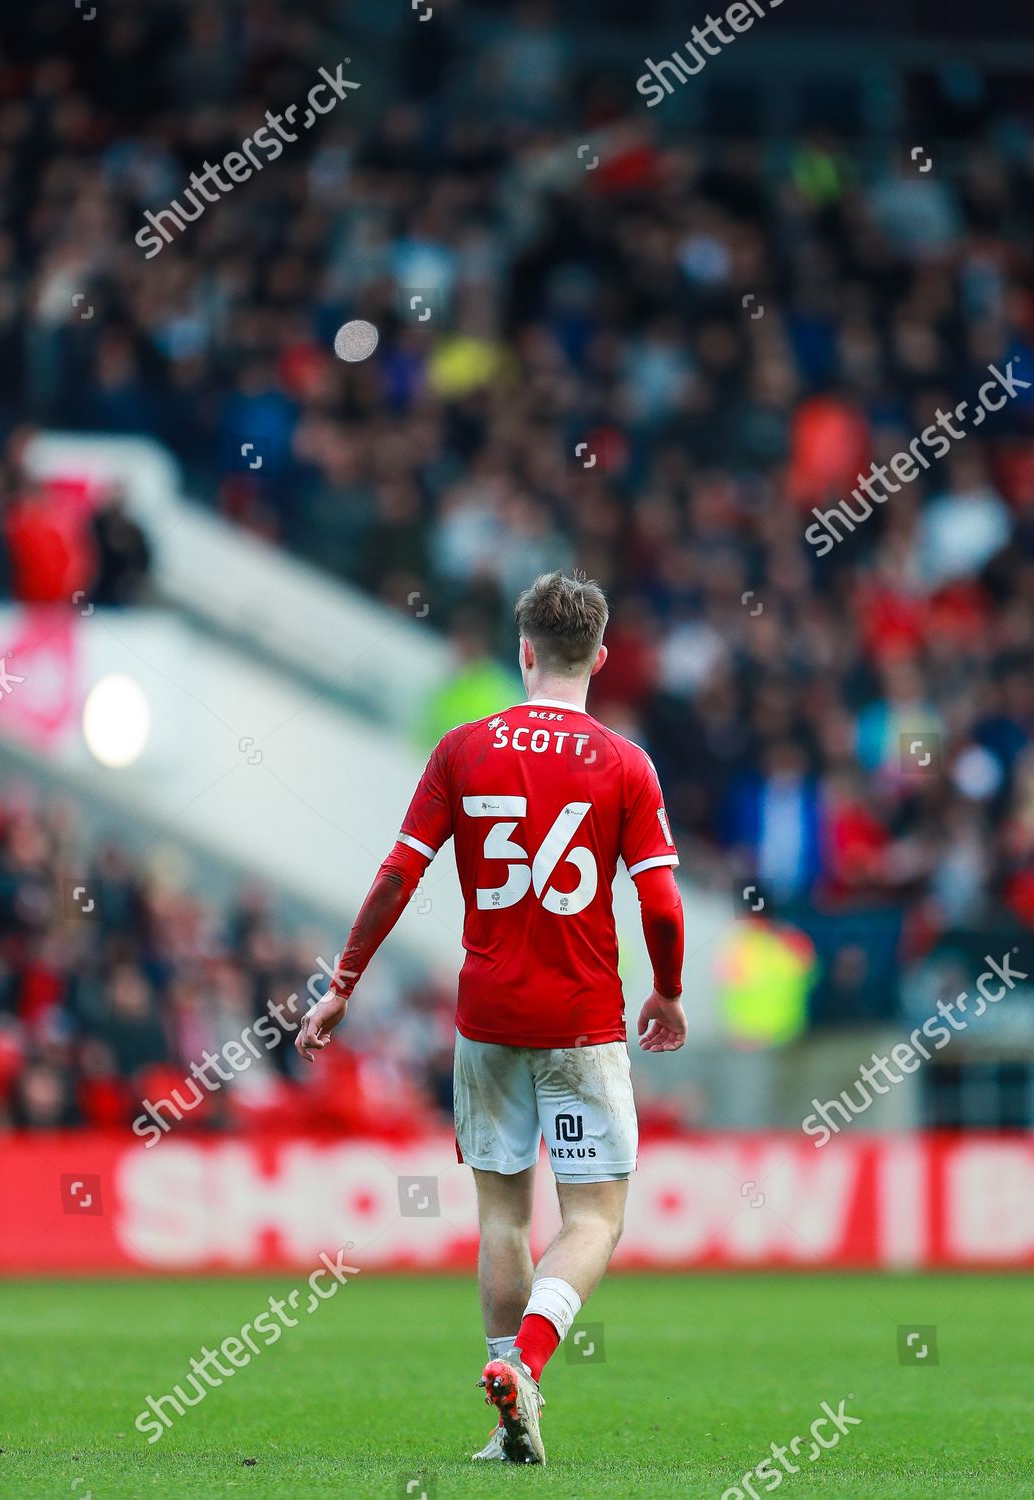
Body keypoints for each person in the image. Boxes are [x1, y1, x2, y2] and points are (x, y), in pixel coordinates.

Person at [296, 570, 687, 1465]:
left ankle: (509, 1407)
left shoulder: (462, 750)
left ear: (522, 653)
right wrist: (665, 988)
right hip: (583, 1019)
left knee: (503, 1218)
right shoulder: (625, 762)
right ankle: (530, 1369)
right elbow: (661, 904)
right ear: (598, 655)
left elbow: (398, 874)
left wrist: (343, 983)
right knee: (591, 1220)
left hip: (487, 1018)